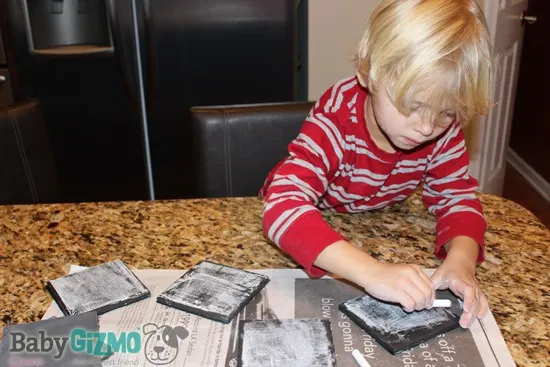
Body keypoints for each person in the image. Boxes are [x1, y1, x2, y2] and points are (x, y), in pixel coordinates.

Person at [260, 0, 493, 329]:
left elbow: (458, 198)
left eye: (448, 112)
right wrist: (372, 272)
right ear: (368, 73)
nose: (427, 128)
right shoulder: (337, 116)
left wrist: (462, 261)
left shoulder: (442, 131)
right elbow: (283, 208)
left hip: (377, 216)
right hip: (317, 218)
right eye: (413, 106)